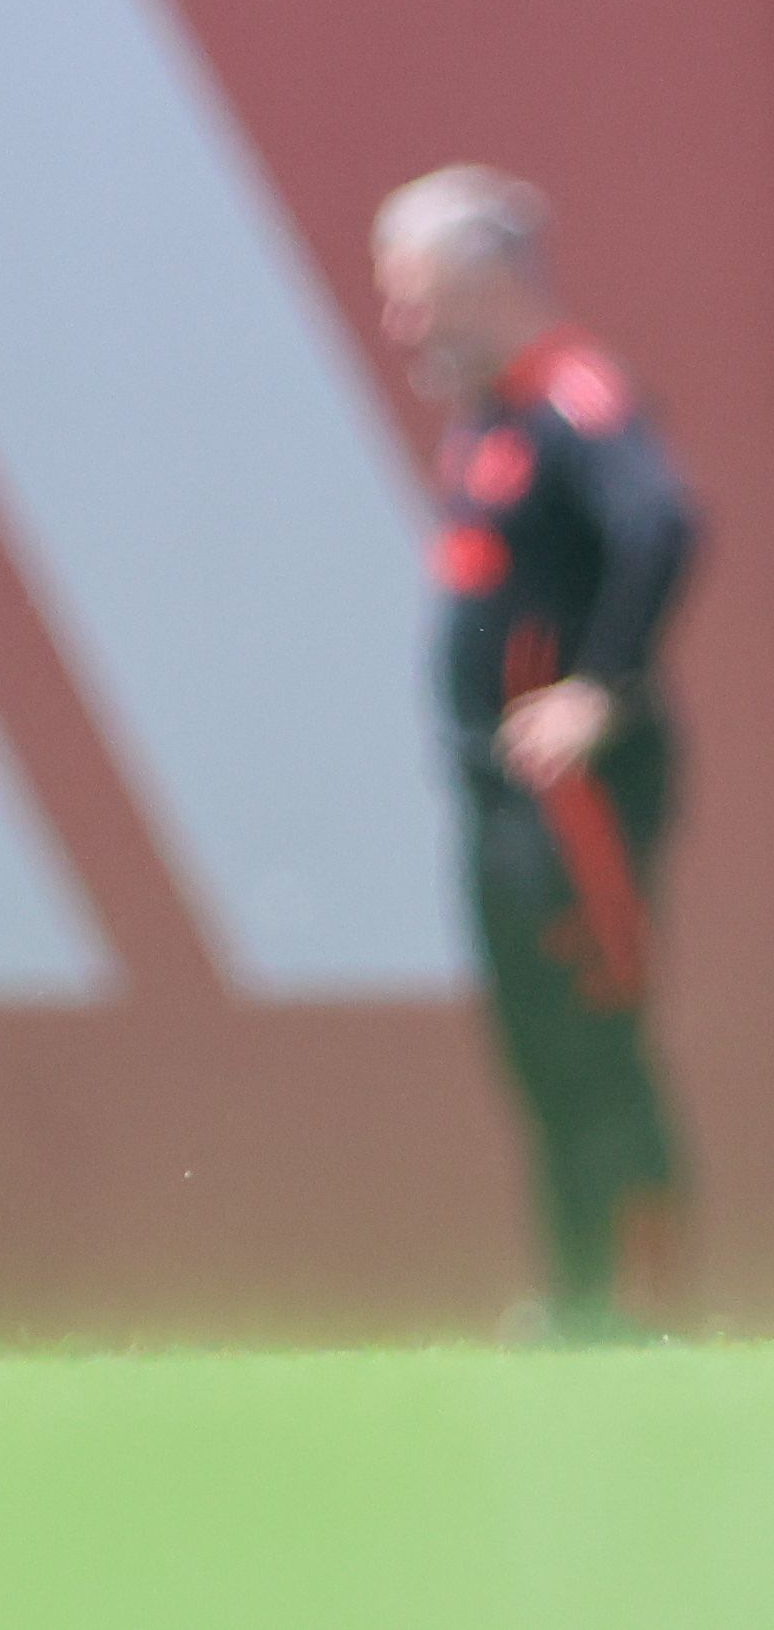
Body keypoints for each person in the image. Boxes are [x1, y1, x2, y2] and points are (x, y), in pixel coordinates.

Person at [373, 167, 700, 1341]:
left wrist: (599, 692)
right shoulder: (492, 421)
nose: (401, 324)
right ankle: (579, 1301)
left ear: (487, 279)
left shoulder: (573, 397)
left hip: (576, 799)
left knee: (596, 1033)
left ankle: (643, 1303)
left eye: (416, 295)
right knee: (540, 1048)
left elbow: (664, 523)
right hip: (500, 800)